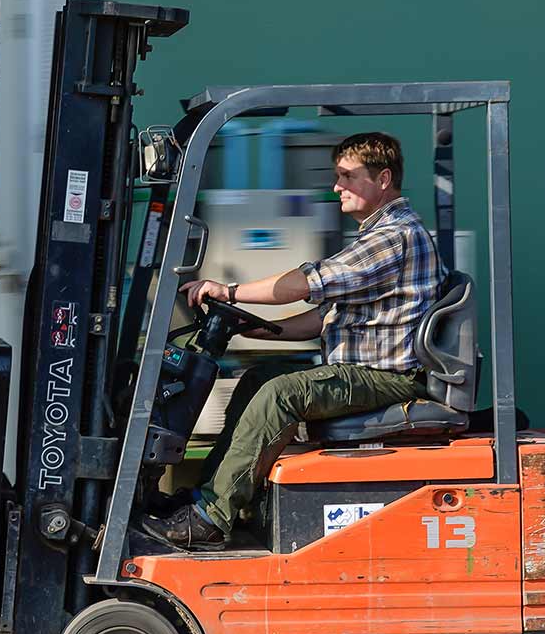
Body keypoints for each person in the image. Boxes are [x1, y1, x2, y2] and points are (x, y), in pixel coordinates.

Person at [141, 131, 447, 549]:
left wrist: (227, 292)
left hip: (386, 375)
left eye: (346, 176)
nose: (336, 187)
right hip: (364, 369)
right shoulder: (379, 236)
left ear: (382, 178)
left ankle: (212, 518)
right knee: (257, 380)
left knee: (280, 393)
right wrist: (265, 329)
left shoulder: (393, 237)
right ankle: (209, 498)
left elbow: (306, 283)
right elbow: (325, 319)